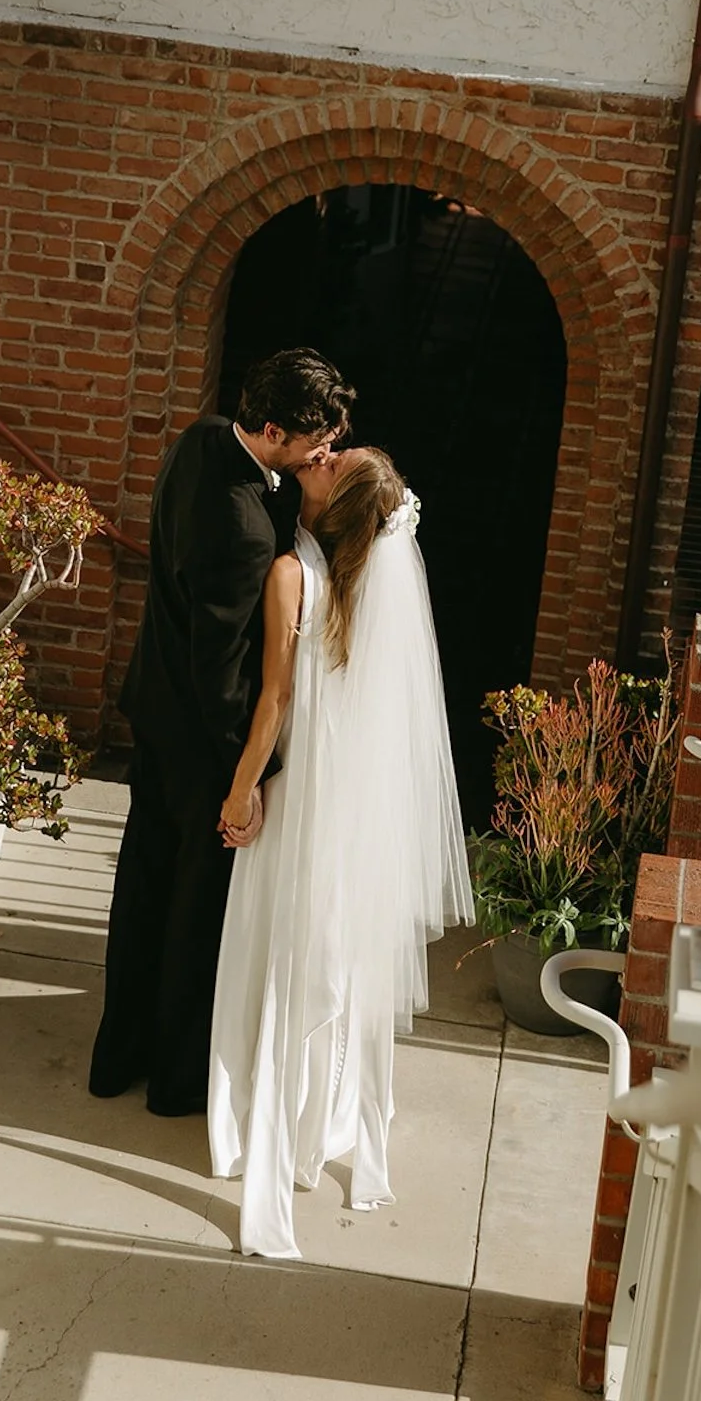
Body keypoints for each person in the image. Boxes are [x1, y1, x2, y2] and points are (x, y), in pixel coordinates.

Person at [208, 447, 473, 1258]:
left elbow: (276, 702)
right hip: (349, 814)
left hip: (297, 809)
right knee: (329, 953)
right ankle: (323, 1118)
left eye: (331, 464)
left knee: (283, 952)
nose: (316, 459)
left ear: (337, 505)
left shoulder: (292, 573)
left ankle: (267, 1118)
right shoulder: (368, 595)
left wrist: (239, 792)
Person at [89, 349, 355, 1117]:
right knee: (192, 914)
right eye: (314, 443)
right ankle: (174, 1080)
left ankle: (116, 1056)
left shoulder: (200, 438)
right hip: (204, 743)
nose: (322, 455)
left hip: (153, 711)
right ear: (272, 428)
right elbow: (222, 676)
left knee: (141, 891)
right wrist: (253, 771)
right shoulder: (243, 532)